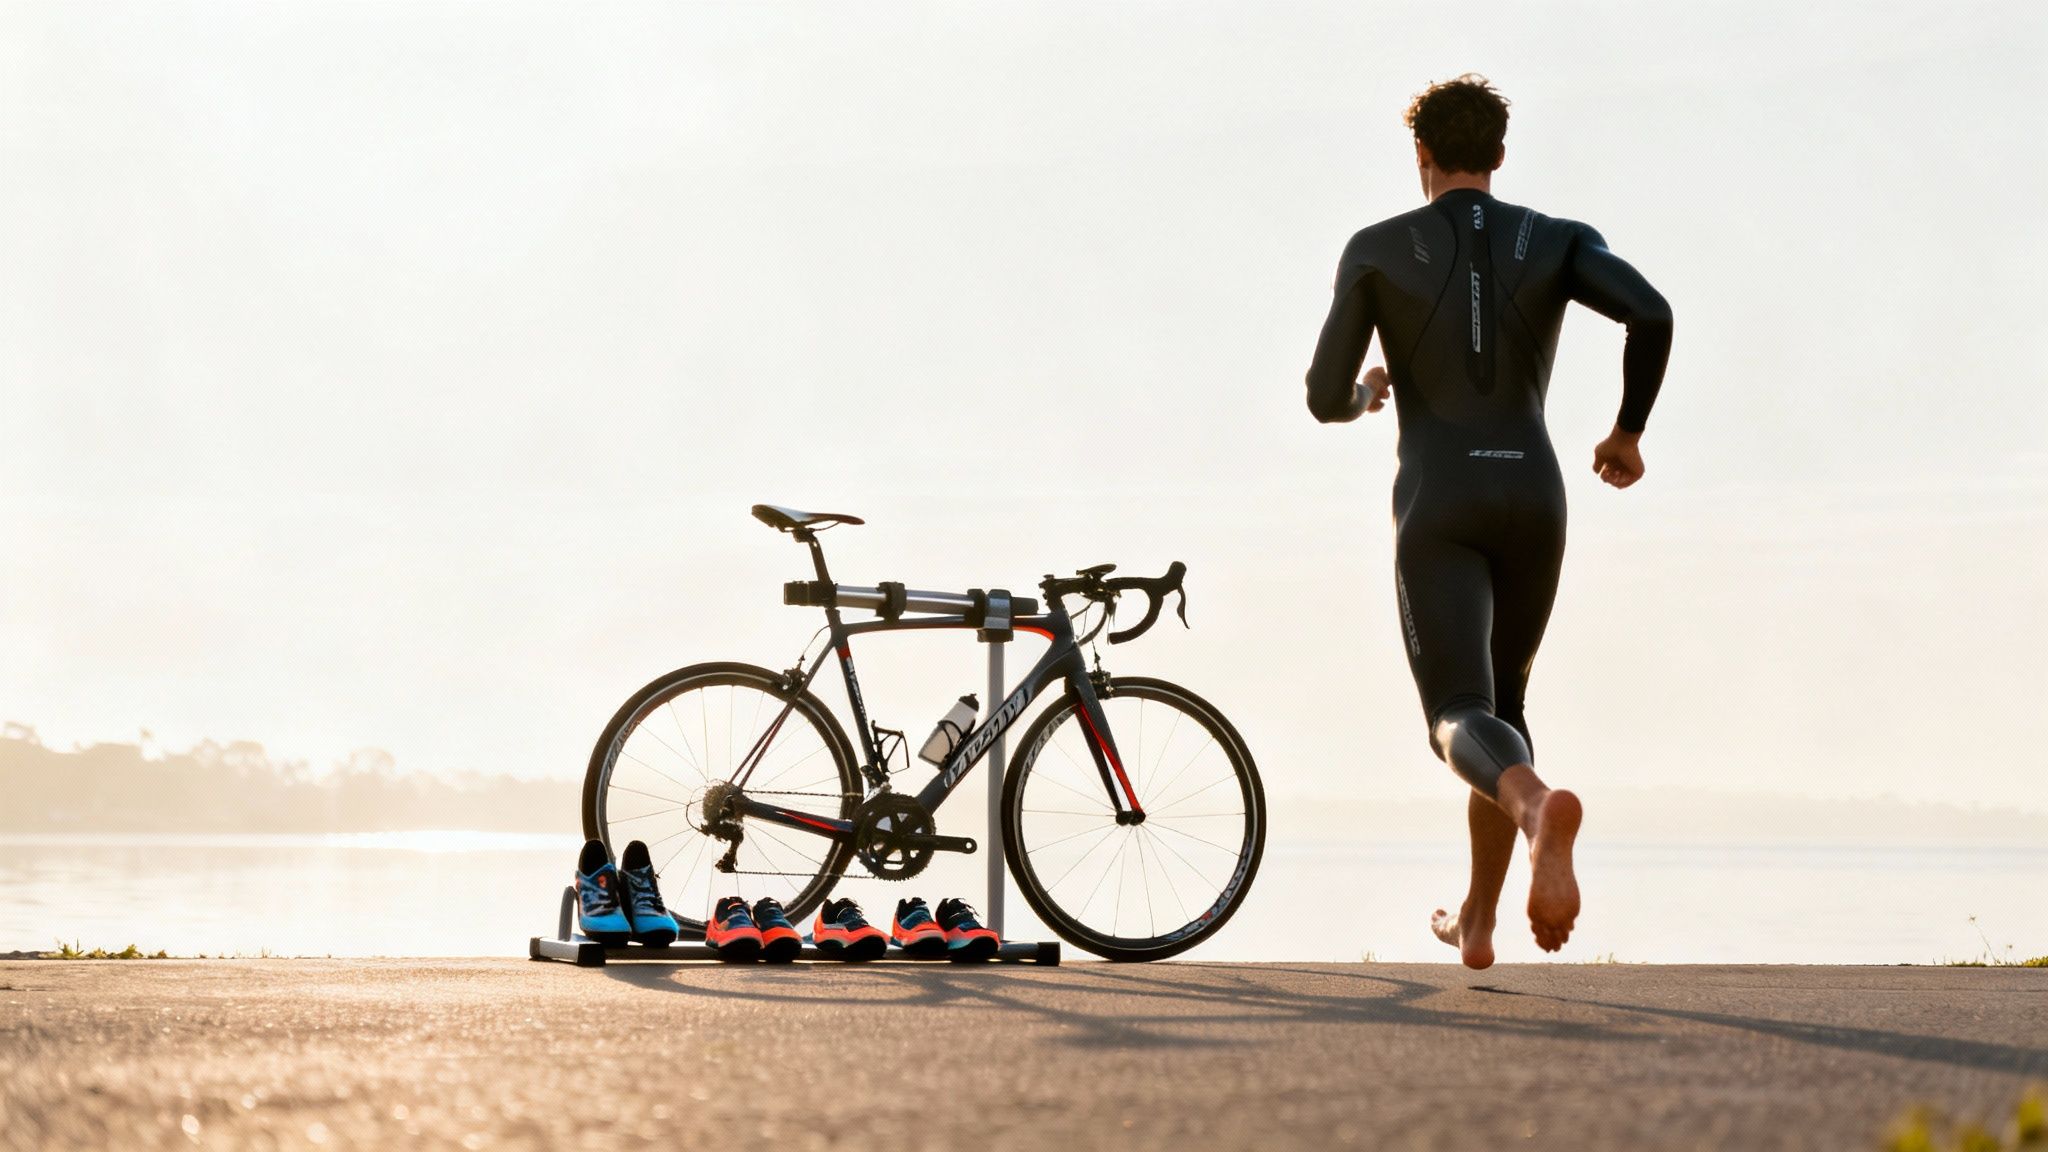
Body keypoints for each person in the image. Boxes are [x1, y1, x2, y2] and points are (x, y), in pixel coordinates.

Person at [1303, 74, 1672, 968]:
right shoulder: (1557, 239)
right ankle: (1477, 917)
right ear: (1500, 156)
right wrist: (1627, 432)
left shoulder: (1377, 249)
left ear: (1420, 155)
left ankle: (1540, 808)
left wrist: (1365, 398)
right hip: (1535, 498)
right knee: (1503, 708)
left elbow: (1321, 397)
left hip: (1440, 497)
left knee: (1455, 715)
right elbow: (1651, 314)